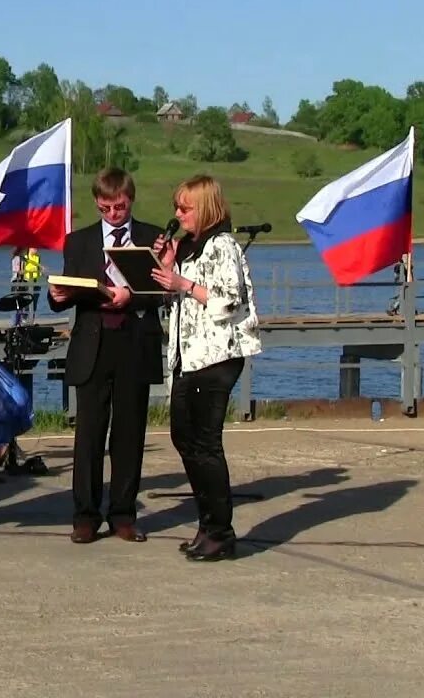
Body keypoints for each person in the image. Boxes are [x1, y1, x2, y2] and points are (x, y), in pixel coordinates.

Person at [46, 167, 165, 544]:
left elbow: (163, 291)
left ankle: (123, 515)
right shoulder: (78, 242)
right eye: (105, 208)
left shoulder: (151, 237)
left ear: (131, 199)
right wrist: (57, 297)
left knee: (129, 433)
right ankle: (85, 515)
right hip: (92, 343)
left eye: (119, 207)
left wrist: (135, 296)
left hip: (133, 341)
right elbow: (67, 287)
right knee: (89, 435)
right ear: (96, 204)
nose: (113, 214)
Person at [150, 174, 263, 562]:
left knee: (206, 442)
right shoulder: (187, 248)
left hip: (218, 356)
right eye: (175, 207)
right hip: (187, 355)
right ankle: (206, 522)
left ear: (206, 207)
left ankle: (221, 531)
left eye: (185, 208)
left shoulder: (223, 245)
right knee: (184, 437)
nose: (178, 215)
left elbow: (230, 300)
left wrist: (181, 282)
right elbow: (175, 299)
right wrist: (167, 268)